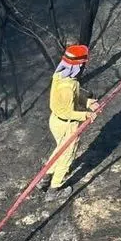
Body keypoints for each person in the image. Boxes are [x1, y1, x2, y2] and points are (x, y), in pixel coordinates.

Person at [45, 44, 98, 198]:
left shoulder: (60, 77)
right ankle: (54, 189)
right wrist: (86, 115)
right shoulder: (68, 86)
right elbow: (67, 111)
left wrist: (88, 102)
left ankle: (46, 175)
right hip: (66, 124)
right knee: (67, 154)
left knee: (59, 149)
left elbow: (74, 97)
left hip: (55, 121)